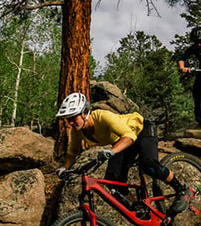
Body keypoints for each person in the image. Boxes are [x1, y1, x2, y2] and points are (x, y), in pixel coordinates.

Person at [54, 92, 189, 215]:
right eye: (68, 119)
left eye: (73, 117)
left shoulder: (102, 116)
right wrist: (64, 168)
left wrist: (112, 151)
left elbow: (129, 136)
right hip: (122, 141)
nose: (70, 122)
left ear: (84, 113)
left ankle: (182, 190)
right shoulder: (78, 131)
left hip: (141, 131)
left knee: (148, 163)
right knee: (112, 180)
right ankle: (141, 212)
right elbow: (72, 152)